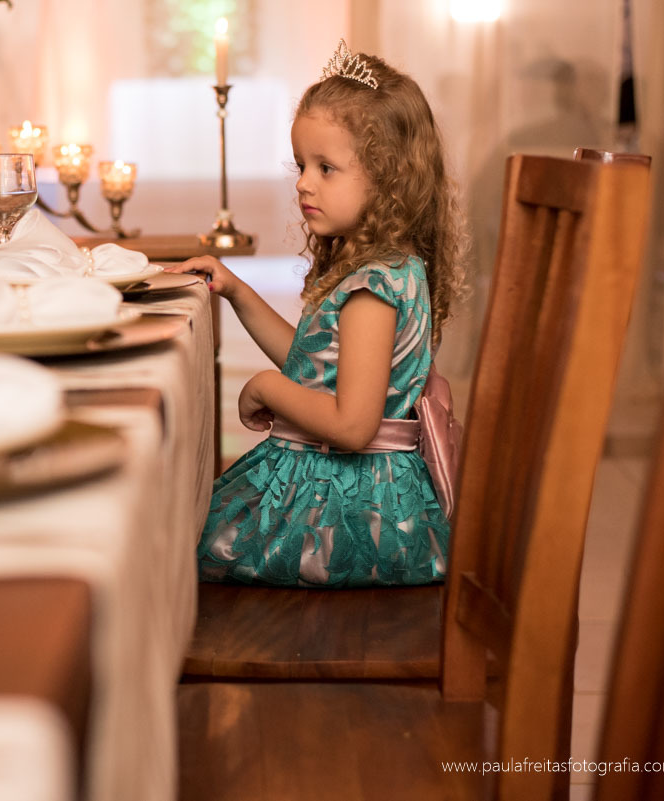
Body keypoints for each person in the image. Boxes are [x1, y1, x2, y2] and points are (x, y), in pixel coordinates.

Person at [168, 40, 465, 587]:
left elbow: (352, 427)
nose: (304, 181)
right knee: (189, 529)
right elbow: (313, 365)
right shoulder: (390, 267)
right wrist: (236, 290)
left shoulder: (374, 289)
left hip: (352, 509)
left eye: (327, 167)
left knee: (184, 546)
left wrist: (266, 387)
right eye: (302, 164)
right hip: (358, 492)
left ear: (389, 181)